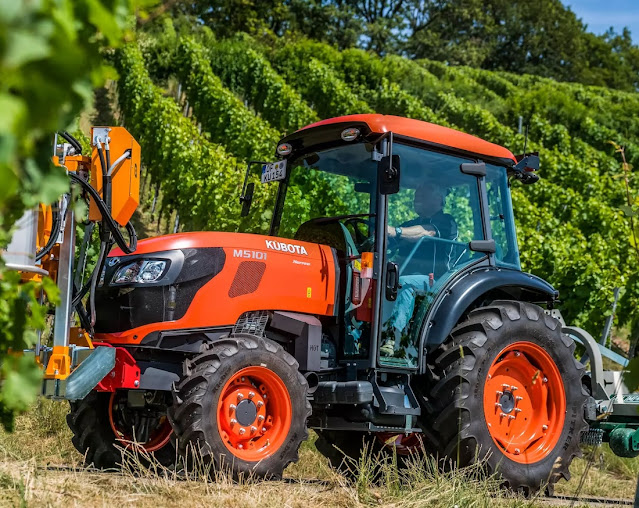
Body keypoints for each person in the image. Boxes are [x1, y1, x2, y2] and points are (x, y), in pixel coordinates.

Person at [380, 182, 458, 360]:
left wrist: (396, 231)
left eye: (422, 195)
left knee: (405, 282)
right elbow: (389, 241)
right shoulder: (411, 224)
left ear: (438, 198)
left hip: (437, 281)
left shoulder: (446, 221)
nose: (417, 199)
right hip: (405, 275)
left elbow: (425, 233)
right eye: (416, 195)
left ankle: (392, 337)